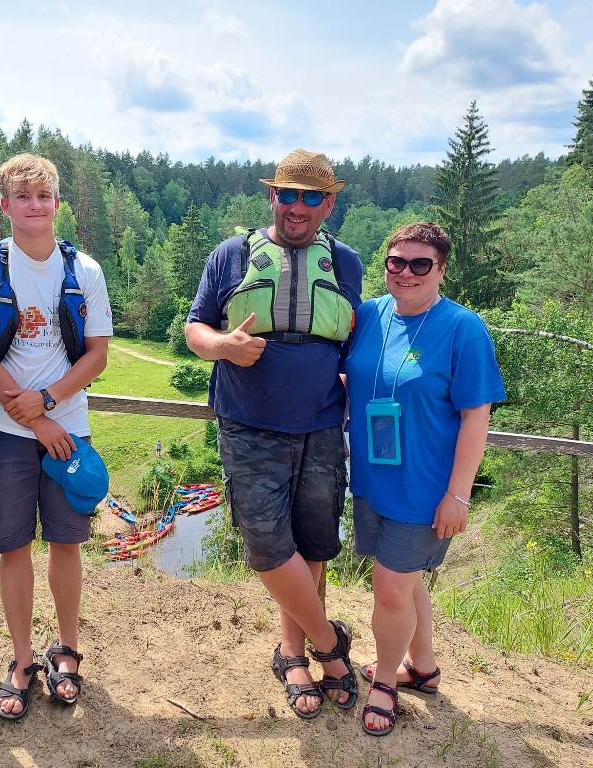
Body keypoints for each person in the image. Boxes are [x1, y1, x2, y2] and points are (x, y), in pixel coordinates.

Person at [185, 149, 363, 719]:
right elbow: (194, 328)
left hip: (322, 424)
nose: (297, 207)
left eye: (311, 197)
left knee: (312, 544)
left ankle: (293, 654)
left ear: (328, 203)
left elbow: (355, 340)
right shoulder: (231, 254)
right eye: (287, 194)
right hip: (249, 424)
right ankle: (330, 646)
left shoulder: (346, 262)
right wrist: (222, 346)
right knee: (266, 546)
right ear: (271, 197)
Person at [0, 153, 113, 721]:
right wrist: (37, 417)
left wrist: (48, 403)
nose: (35, 205)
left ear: (57, 203)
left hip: (67, 425)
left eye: (44, 196)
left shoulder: (85, 271)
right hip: (5, 429)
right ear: (4, 205)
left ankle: (66, 650)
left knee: (67, 542)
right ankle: (23, 659)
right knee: (15, 546)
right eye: (23, 197)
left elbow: (97, 355)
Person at [345, 222, 505, 736]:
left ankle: (385, 683)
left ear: (441, 270)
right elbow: (352, 375)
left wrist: (459, 494)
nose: (406, 272)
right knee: (405, 579)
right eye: (397, 262)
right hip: (373, 478)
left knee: (390, 587)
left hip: (426, 487)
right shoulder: (370, 315)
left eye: (420, 264)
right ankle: (425, 668)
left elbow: (476, 417)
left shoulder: (463, 328)